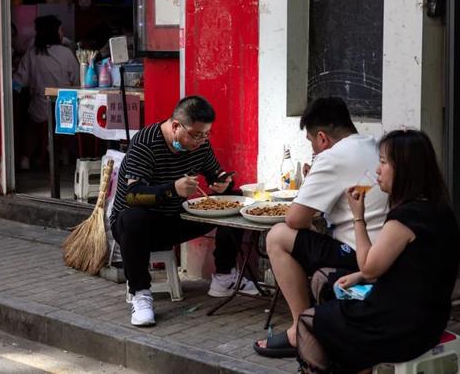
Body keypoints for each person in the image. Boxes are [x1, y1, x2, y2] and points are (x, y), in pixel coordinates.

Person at [296, 129, 460, 373]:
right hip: (428, 320)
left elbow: (369, 267)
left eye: (383, 163)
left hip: (399, 328)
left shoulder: (404, 219)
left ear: (404, 169)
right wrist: (360, 276)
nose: (377, 171)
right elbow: (408, 267)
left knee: (307, 321)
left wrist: (358, 217)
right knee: (328, 282)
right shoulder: (439, 209)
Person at [254, 97, 389, 357]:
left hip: (359, 253)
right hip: (385, 247)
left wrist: (314, 176)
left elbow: (295, 219)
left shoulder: (332, 157)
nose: (314, 151)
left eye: (312, 144)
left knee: (278, 236)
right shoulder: (373, 145)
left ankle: (299, 330)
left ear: (322, 138)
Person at [110, 96, 258, 327]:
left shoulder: (200, 145)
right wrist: (172, 190)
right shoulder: (145, 143)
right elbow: (133, 195)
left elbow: (214, 175)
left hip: (176, 218)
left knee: (235, 199)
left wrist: (223, 183)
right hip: (138, 228)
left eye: (206, 134)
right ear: (176, 125)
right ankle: (141, 294)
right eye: (195, 135)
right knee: (133, 217)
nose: (200, 141)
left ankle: (223, 276)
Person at [13, 15, 79, 170]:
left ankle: (26, 158)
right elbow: (77, 81)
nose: (62, 33)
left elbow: (19, 82)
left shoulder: (32, 54)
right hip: (64, 109)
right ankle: (63, 153)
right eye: (60, 29)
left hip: (40, 107)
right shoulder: (66, 53)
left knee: (30, 124)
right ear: (55, 32)